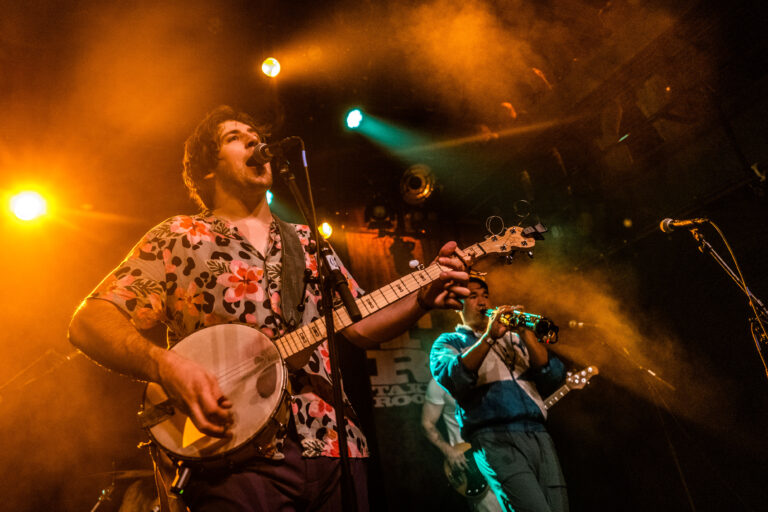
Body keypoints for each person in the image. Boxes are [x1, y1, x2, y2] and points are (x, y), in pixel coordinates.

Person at [68, 105, 469, 512]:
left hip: (334, 445)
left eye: (255, 135)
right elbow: (89, 321)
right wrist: (165, 366)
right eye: (234, 138)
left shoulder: (309, 240)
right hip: (233, 454)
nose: (254, 143)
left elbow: (359, 325)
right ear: (208, 168)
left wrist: (421, 297)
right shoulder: (179, 236)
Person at [429, 277, 568, 512]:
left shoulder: (513, 338)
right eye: (473, 296)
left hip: (538, 433)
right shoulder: (448, 342)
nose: (482, 302)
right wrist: (488, 337)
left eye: (485, 295)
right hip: (494, 437)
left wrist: (526, 334)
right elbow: (453, 376)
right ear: (457, 306)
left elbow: (551, 374)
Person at [422, 377, 502, 512]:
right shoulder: (439, 380)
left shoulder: (495, 374)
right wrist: (449, 451)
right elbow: (427, 423)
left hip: (505, 455)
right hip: (472, 465)